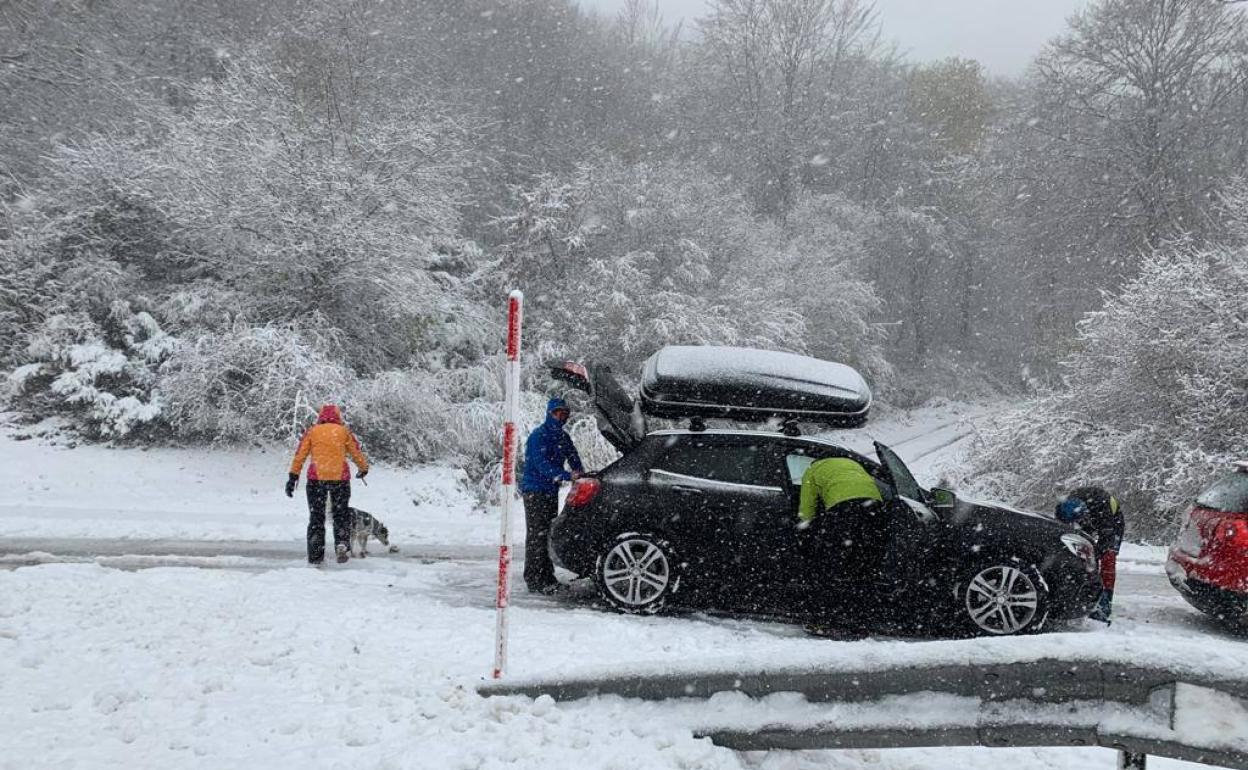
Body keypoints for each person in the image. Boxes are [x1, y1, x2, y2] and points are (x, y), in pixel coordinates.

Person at [287, 404, 370, 565]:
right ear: (338, 416)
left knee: (316, 518)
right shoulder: (344, 431)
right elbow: (356, 451)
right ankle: (342, 544)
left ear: (321, 417)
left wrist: (293, 476)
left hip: (316, 479)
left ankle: (316, 556)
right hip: (340, 479)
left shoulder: (313, 431)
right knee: (341, 515)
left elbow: (300, 455)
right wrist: (363, 468)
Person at [519, 398, 584, 594]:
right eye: (557, 413)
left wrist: (580, 473)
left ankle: (547, 576)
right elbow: (541, 465)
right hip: (535, 490)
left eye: (564, 413)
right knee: (536, 536)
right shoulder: (538, 436)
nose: (561, 416)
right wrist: (566, 475)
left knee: (547, 534)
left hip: (550, 491)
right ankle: (534, 579)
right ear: (549, 413)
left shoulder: (562, 437)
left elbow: (573, 457)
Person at [1056, 486, 1124, 624]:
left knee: (1107, 559)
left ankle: (1104, 604)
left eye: (1078, 521)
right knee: (1083, 555)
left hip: (1114, 524)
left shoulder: (1102, 508)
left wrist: (1095, 556)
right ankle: (1086, 594)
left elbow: (1107, 539)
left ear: (1085, 512)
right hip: (1090, 517)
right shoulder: (1065, 506)